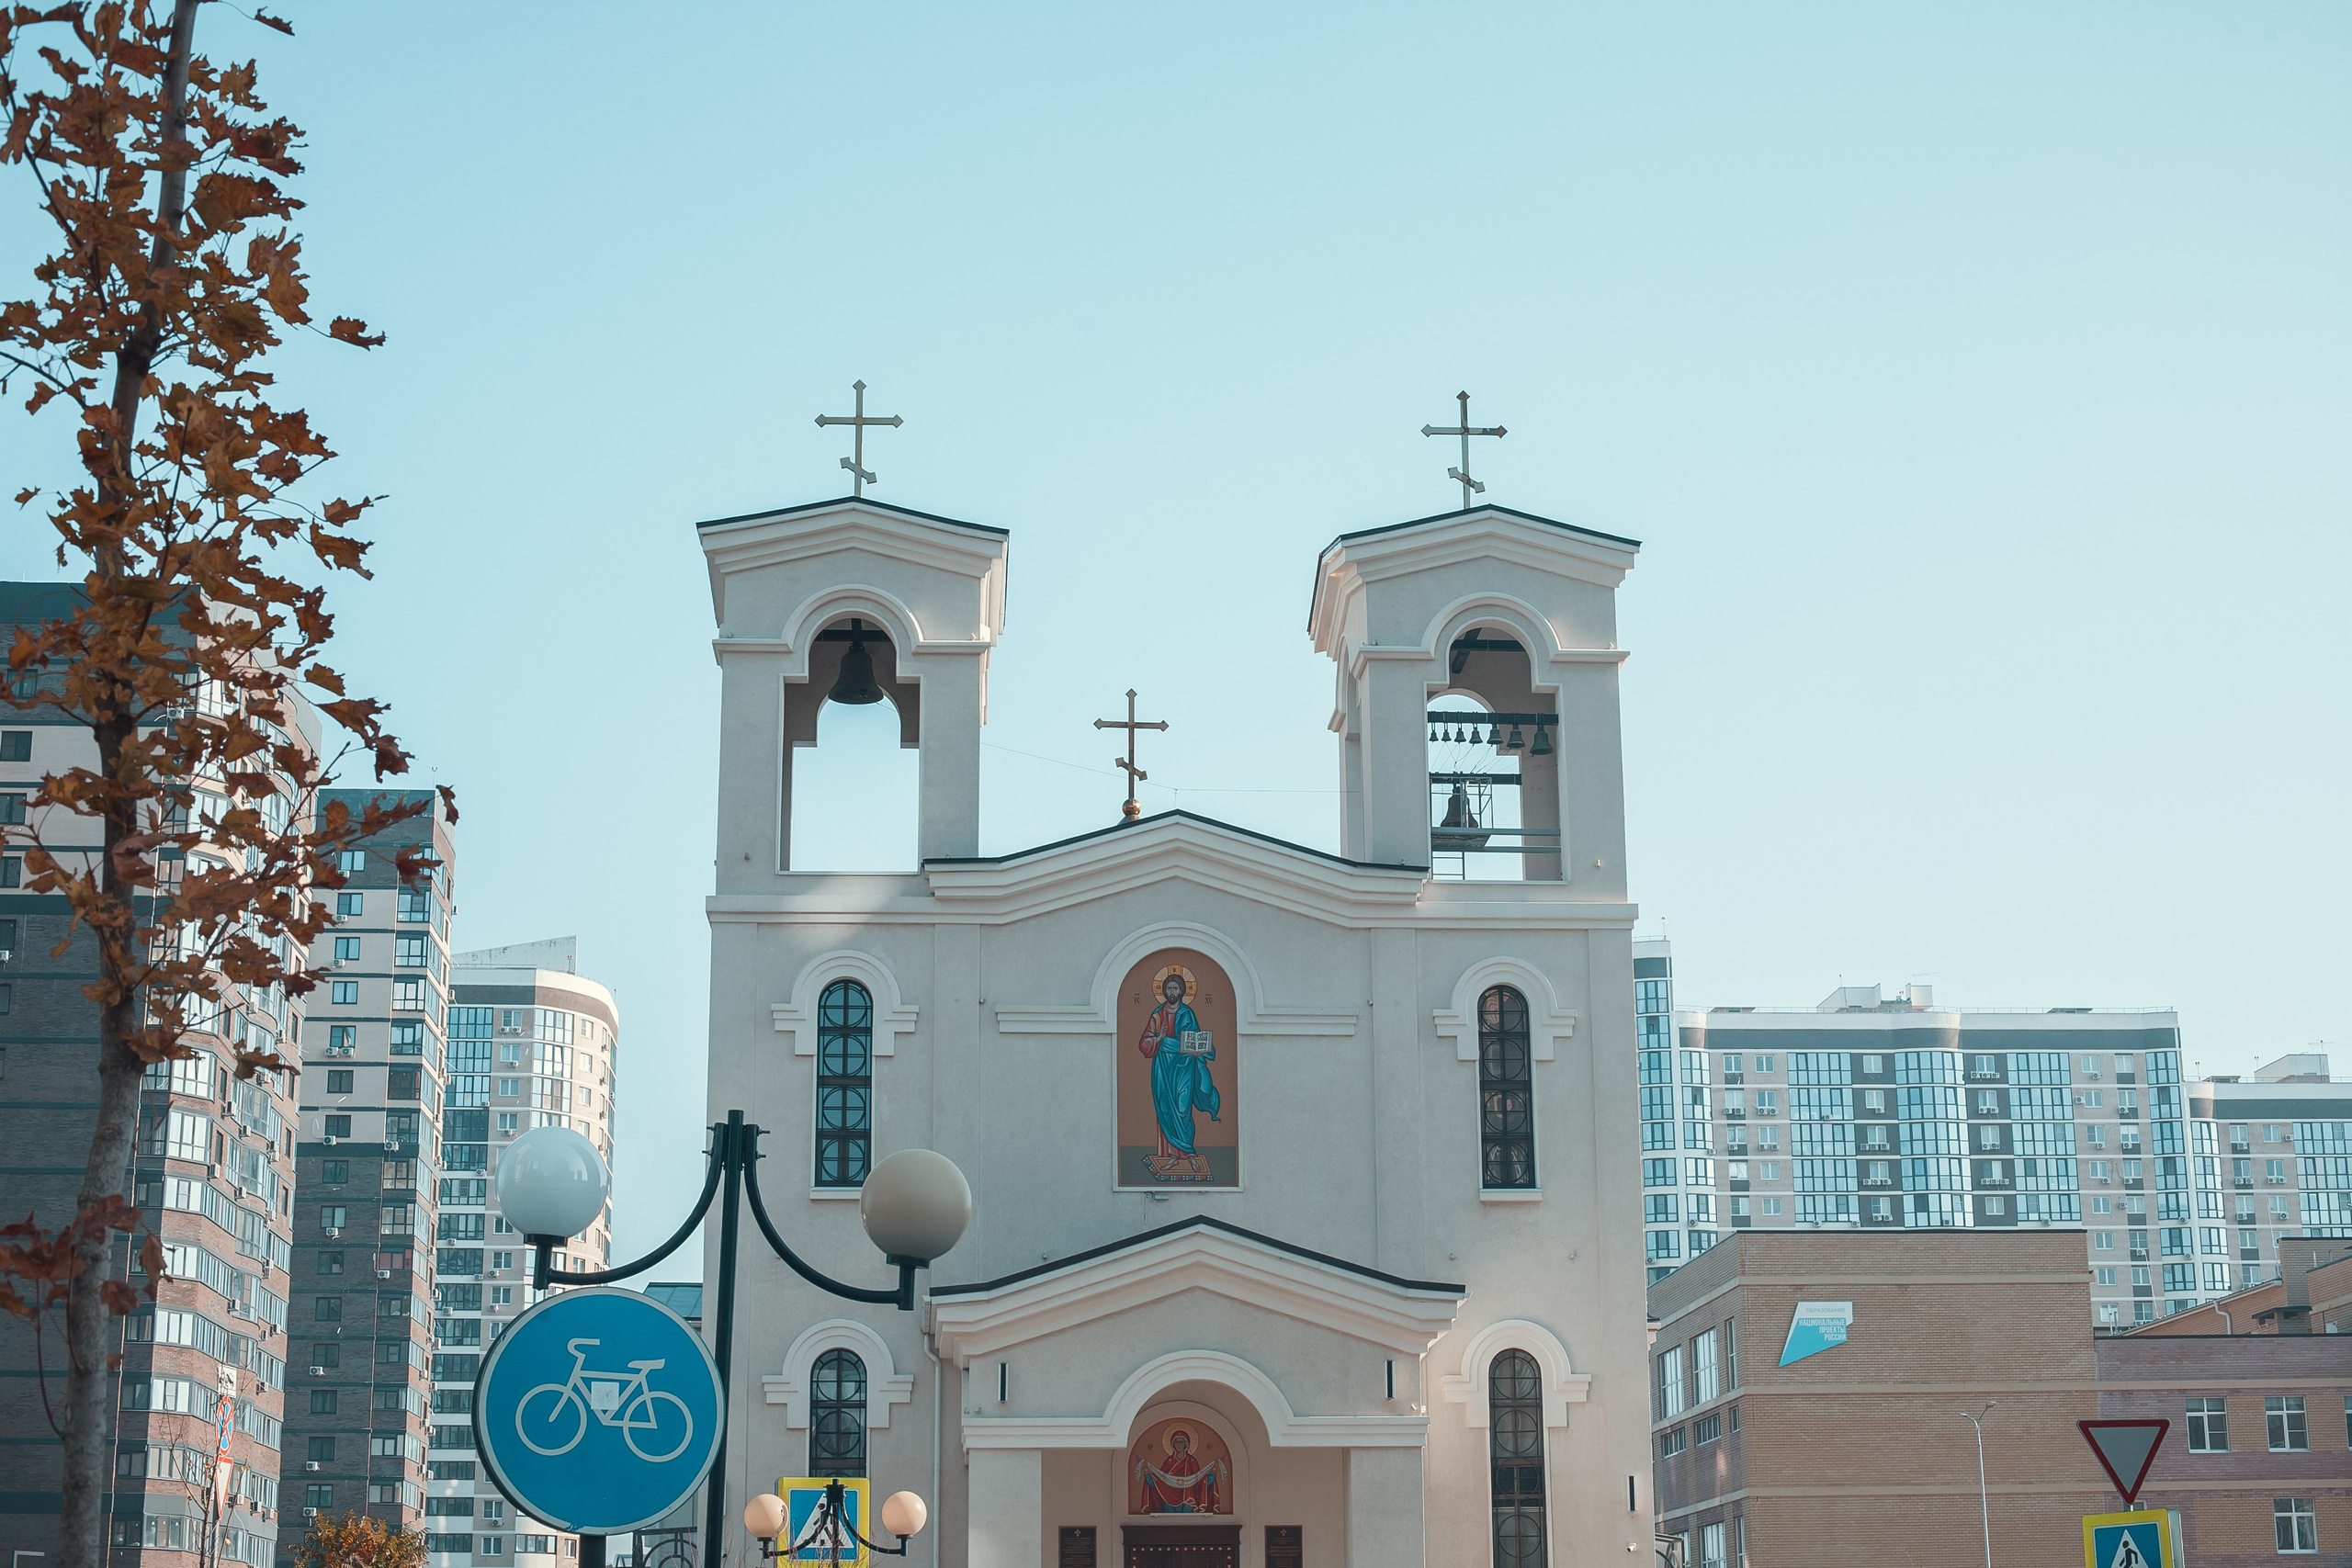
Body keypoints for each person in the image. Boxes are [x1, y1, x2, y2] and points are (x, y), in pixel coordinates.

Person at [1137, 971, 1217, 1179]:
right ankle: (1173, 1156)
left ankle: (1188, 1153)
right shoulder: (1157, 1015)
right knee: (1166, 1108)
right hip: (1163, 1068)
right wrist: (1159, 1037)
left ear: (1182, 991)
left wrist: (1199, 1049)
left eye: (1175, 988)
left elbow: (1194, 1039)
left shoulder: (1187, 1013)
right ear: (1163, 991)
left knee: (1182, 1108)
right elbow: (1144, 1043)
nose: (1171, 992)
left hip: (1183, 1068)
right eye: (1168, 988)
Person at [1135, 1427, 1221, 1514]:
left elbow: (1200, 1482)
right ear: (1173, 1444)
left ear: (1186, 1444)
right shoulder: (1169, 1462)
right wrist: (1146, 1470)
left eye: (1181, 1442)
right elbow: (1159, 1483)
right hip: (1168, 1500)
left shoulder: (1191, 1461)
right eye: (1177, 1442)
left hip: (1187, 1500)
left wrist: (1214, 1470)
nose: (1179, 1445)